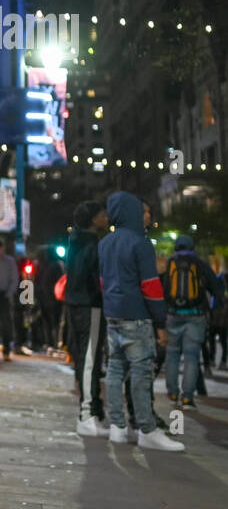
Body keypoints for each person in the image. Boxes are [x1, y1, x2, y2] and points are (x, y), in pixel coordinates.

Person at [100, 192, 184, 451]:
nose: (146, 215)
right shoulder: (140, 243)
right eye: (141, 211)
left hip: (112, 314)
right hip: (137, 315)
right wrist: (160, 322)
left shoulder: (104, 243)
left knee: (115, 370)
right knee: (141, 372)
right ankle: (146, 428)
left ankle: (117, 427)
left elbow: (103, 282)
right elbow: (151, 286)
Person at [162, 234, 221, 409]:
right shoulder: (200, 264)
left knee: (172, 354)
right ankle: (187, 397)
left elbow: (164, 290)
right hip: (195, 315)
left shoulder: (170, 264)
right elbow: (217, 287)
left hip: (172, 315)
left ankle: (172, 392)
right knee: (191, 356)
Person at [65, 200, 108, 436]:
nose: (106, 217)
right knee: (90, 358)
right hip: (89, 304)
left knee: (85, 357)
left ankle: (93, 410)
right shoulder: (93, 245)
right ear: (93, 219)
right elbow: (95, 278)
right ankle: (87, 413)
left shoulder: (75, 242)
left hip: (76, 304)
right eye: (103, 214)